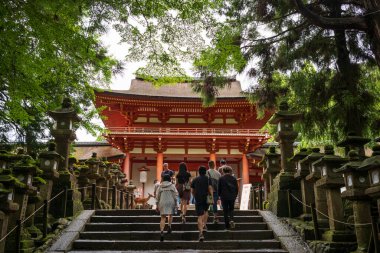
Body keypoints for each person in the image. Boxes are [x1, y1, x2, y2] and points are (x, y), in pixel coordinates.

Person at [191, 165, 213, 242]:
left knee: (200, 216)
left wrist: (194, 196)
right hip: (206, 197)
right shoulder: (208, 179)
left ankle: (200, 233)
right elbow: (210, 188)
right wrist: (212, 197)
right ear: (205, 171)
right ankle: (204, 225)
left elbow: (192, 191)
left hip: (198, 198)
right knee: (206, 211)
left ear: (199, 172)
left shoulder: (195, 179)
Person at [156, 174, 178, 242]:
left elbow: (157, 196)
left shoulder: (160, 186)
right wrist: (176, 203)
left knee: (163, 217)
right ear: (169, 179)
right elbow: (175, 195)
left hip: (162, 202)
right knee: (170, 215)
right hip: (170, 202)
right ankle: (169, 226)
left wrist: (157, 204)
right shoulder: (172, 186)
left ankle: (162, 231)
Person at [218, 166, 238, 230]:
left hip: (224, 197)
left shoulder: (221, 178)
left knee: (225, 211)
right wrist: (235, 195)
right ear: (230, 171)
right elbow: (236, 188)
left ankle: (227, 226)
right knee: (231, 209)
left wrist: (219, 196)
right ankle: (231, 219)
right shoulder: (234, 178)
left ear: (223, 171)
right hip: (232, 196)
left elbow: (219, 188)